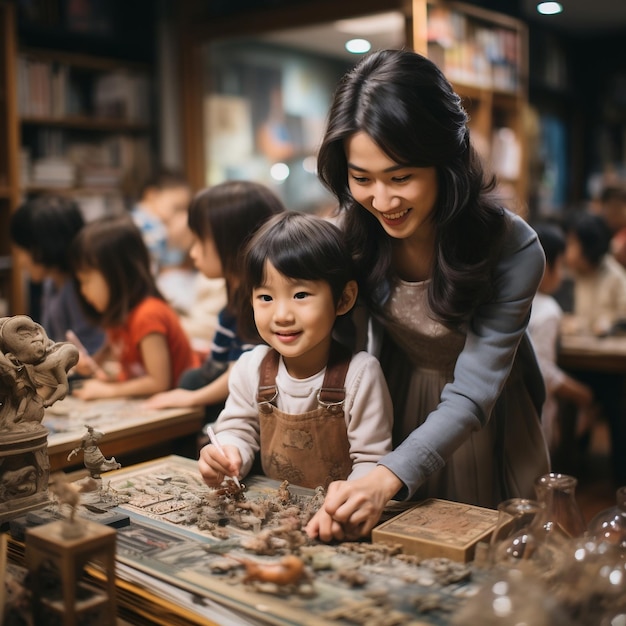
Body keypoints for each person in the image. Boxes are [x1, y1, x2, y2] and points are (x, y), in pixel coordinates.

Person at [304, 49, 550, 542]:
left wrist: (389, 475)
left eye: (401, 177)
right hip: (389, 401)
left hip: (482, 417)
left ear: (446, 163)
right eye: (361, 179)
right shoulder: (351, 234)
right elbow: (341, 356)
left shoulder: (512, 247)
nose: (382, 201)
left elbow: (475, 389)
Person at [197, 212, 393, 490]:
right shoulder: (250, 367)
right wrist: (228, 454)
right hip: (274, 514)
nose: (282, 315)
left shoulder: (360, 375)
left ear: (344, 299)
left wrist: (351, 495)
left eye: (300, 295)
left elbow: (372, 460)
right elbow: (238, 429)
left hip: (339, 515)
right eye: (265, 297)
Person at [144, 180, 286, 424]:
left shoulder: (259, 307)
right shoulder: (233, 303)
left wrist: (192, 398)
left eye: (200, 241)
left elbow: (240, 374)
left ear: (234, 241)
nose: (193, 252)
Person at [69, 214, 199, 400]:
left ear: (116, 274)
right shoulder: (120, 315)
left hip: (178, 413)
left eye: (87, 280)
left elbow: (159, 382)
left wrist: (109, 391)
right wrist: (89, 365)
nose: (83, 291)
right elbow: (114, 361)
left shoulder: (148, 314)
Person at [9, 195, 105, 354]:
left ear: (45, 245)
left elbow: (90, 348)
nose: (21, 262)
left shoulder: (79, 288)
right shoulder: (51, 283)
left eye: (23, 251)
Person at [527, 222, 594, 451]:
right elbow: (543, 371)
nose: (563, 273)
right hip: (534, 413)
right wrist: (581, 394)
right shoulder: (548, 310)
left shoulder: (508, 297)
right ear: (545, 265)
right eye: (561, 264)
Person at [562, 211, 626, 337]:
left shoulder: (615, 277)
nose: (566, 250)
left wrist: (610, 325)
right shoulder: (566, 275)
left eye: (572, 243)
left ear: (588, 247)